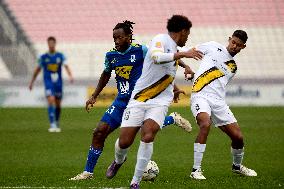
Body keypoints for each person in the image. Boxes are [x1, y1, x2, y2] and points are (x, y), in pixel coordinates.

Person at [70, 20, 193, 181]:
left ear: (129, 37)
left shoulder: (141, 50)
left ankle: (170, 119)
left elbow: (162, 61)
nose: (116, 41)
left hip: (141, 100)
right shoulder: (111, 56)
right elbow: (106, 74)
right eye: (114, 38)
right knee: (99, 132)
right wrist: (94, 95)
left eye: (119, 38)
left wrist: (183, 69)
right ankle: (88, 172)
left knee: (143, 131)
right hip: (121, 102)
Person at [106, 15, 203, 189]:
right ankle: (118, 160)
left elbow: (172, 58)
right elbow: (158, 57)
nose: (188, 37)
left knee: (148, 134)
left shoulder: (175, 48)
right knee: (124, 142)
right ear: (183, 31)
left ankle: (135, 182)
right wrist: (184, 54)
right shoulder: (160, 39)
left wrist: (185, 67)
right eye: (188, 33)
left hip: (160, 101)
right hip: (140, 97)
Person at [189, 30, 257, 180]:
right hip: (200, 96)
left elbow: (212, 79)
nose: (234, 46)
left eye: (238, 45)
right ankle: (195, 170)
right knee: (205, 124)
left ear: (243, 47)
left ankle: (237, 167)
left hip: (218, 101)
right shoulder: (212, 46)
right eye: (233, 42)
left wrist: (195, 75)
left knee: (238, 137)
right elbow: (190, 52)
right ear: (229, 39)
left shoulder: (233, 67)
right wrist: (187, 68)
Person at [29, 36, 73, 132]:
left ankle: (56, 122)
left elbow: (66, 66)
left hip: (58, 84)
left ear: (55, 44)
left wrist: (70, 76)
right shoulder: (43, 58)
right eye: (50, 43)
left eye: (53, 43)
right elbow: (37, 70)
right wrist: (32, 81)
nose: (51, 45)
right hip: (49, 83)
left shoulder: (60, 56)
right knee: (51, 100)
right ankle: (52, 124)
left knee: (58, 104)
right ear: (48, 44)